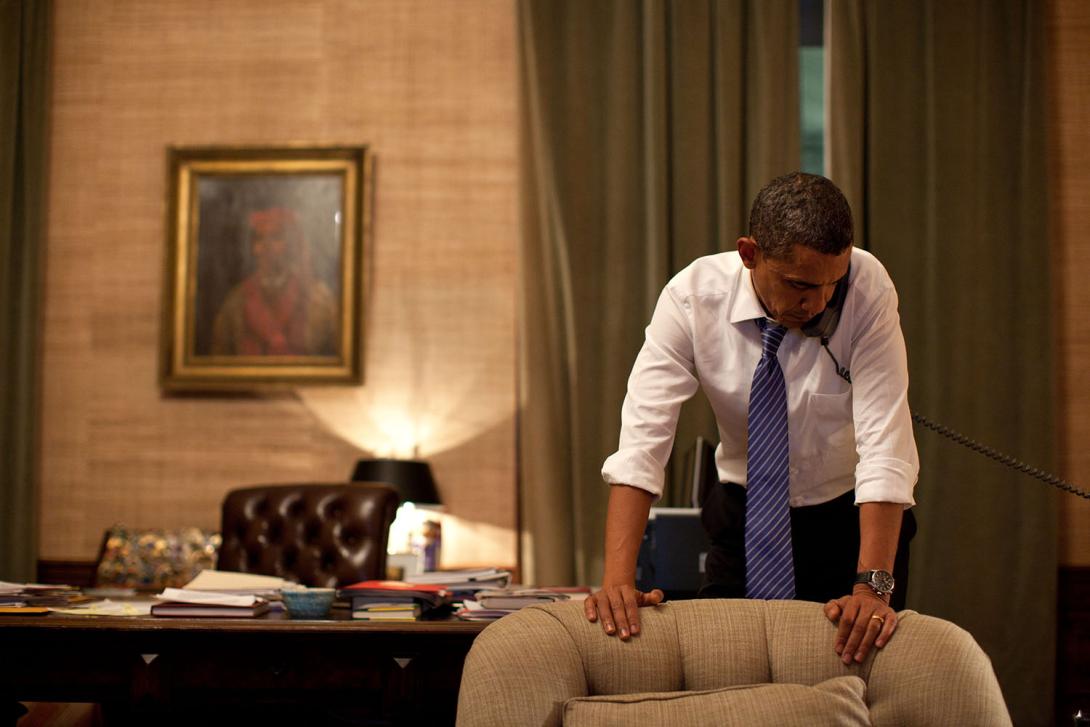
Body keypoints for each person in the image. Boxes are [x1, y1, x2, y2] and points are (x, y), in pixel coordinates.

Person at [585, 172, 919, 667]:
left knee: (850, 681)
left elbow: (886, 445)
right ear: (749, 254)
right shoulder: (692, 298)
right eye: (800, 284)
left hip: (849, 523)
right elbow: (642, 442)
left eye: (832, 284)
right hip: (745, 517)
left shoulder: (867, 287)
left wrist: (872, 587)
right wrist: (618, 581)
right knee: (726, 673)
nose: (818, 303)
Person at [211, 206, 339, 357]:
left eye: (276, 237)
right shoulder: (236, 302)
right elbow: (220, 357)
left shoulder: (319, 299)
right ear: (253, 248)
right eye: (259, 238)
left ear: (291, 245)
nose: (267, 247)